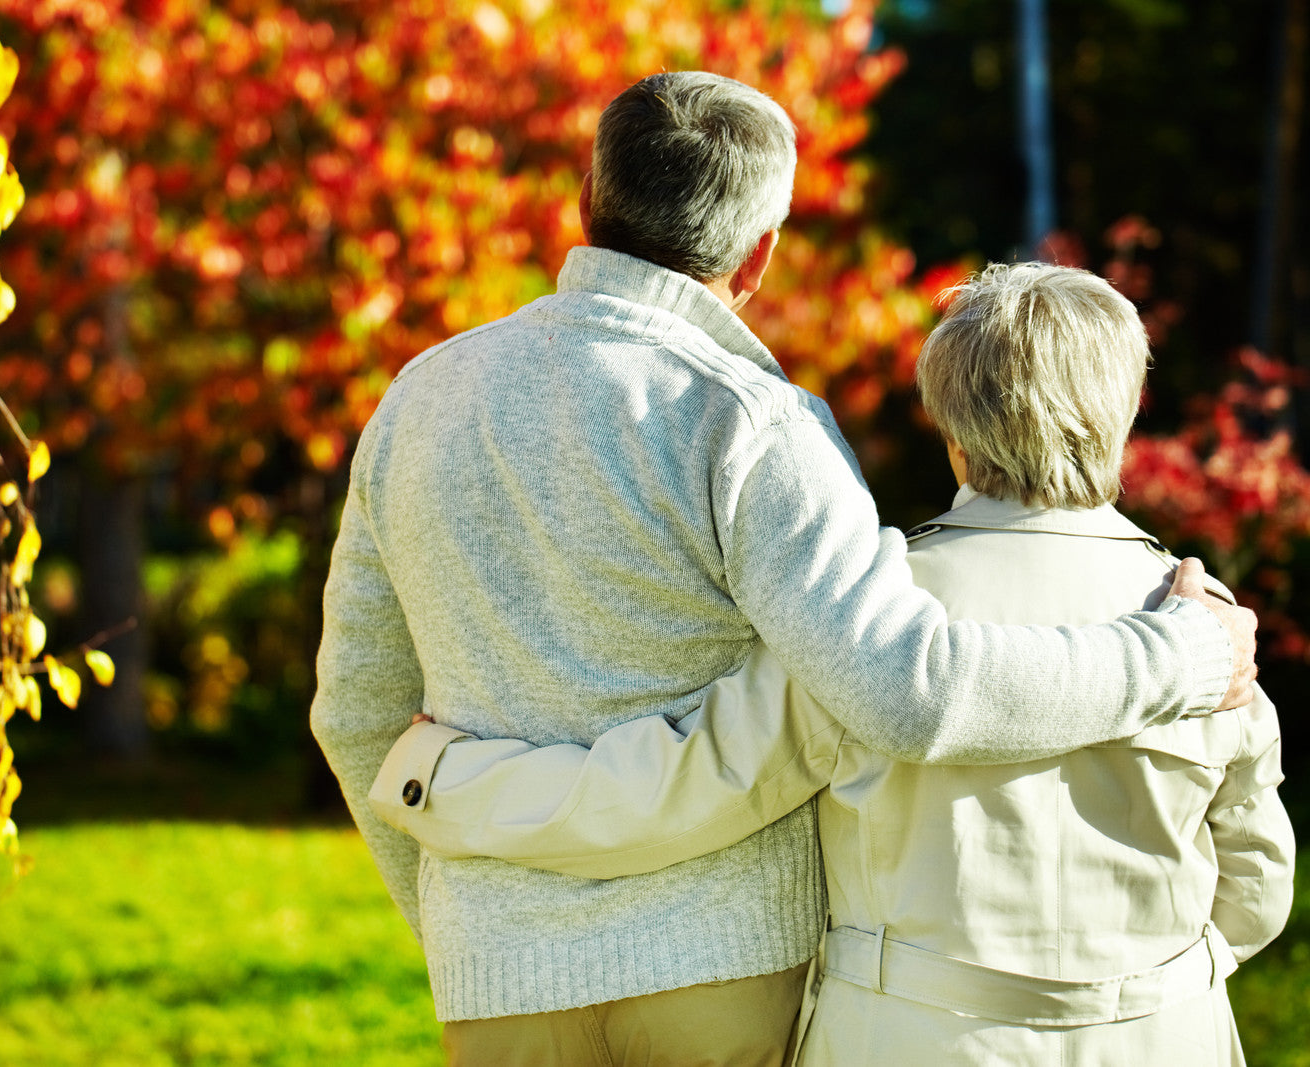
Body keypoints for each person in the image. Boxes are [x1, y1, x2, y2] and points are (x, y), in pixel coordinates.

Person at [311, 70, 1258, 1065]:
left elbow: (355, 711)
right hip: (721, 973)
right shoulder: (753, 426)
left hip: (496, 975)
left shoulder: (418, 400)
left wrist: (461, 924)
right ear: (759, 253)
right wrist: (1181, 655)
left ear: (587, 205)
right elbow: (908, 690)